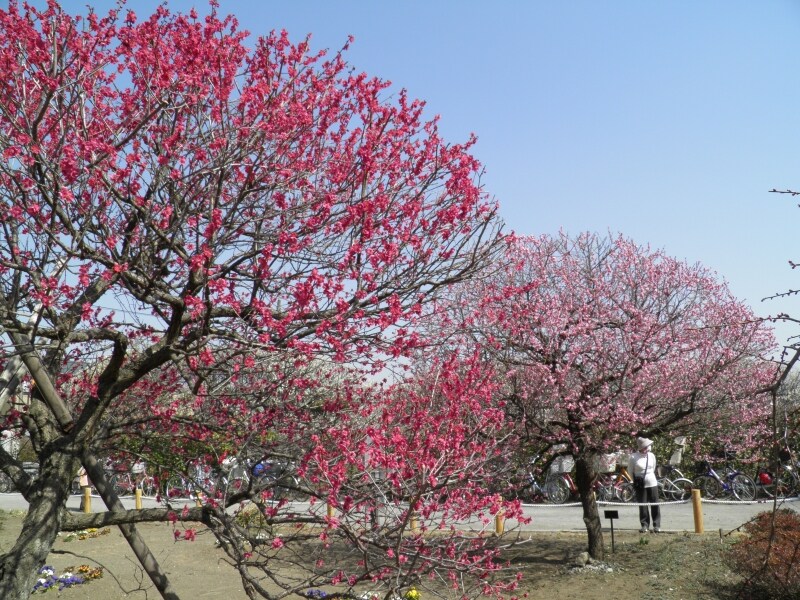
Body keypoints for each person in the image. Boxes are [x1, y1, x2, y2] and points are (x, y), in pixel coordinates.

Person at [628, 437, 660, 533]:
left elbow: (653, 467)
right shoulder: (633, 457)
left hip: (652, 482)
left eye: (647, 447)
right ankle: (644, 525)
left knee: (655, 504)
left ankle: (656, 525)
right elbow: (630, 471)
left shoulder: (651, 456)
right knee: (643, 505)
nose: (646, 449)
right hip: (640, 484)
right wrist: (636, 480)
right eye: (644, 447)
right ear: (640, 448)